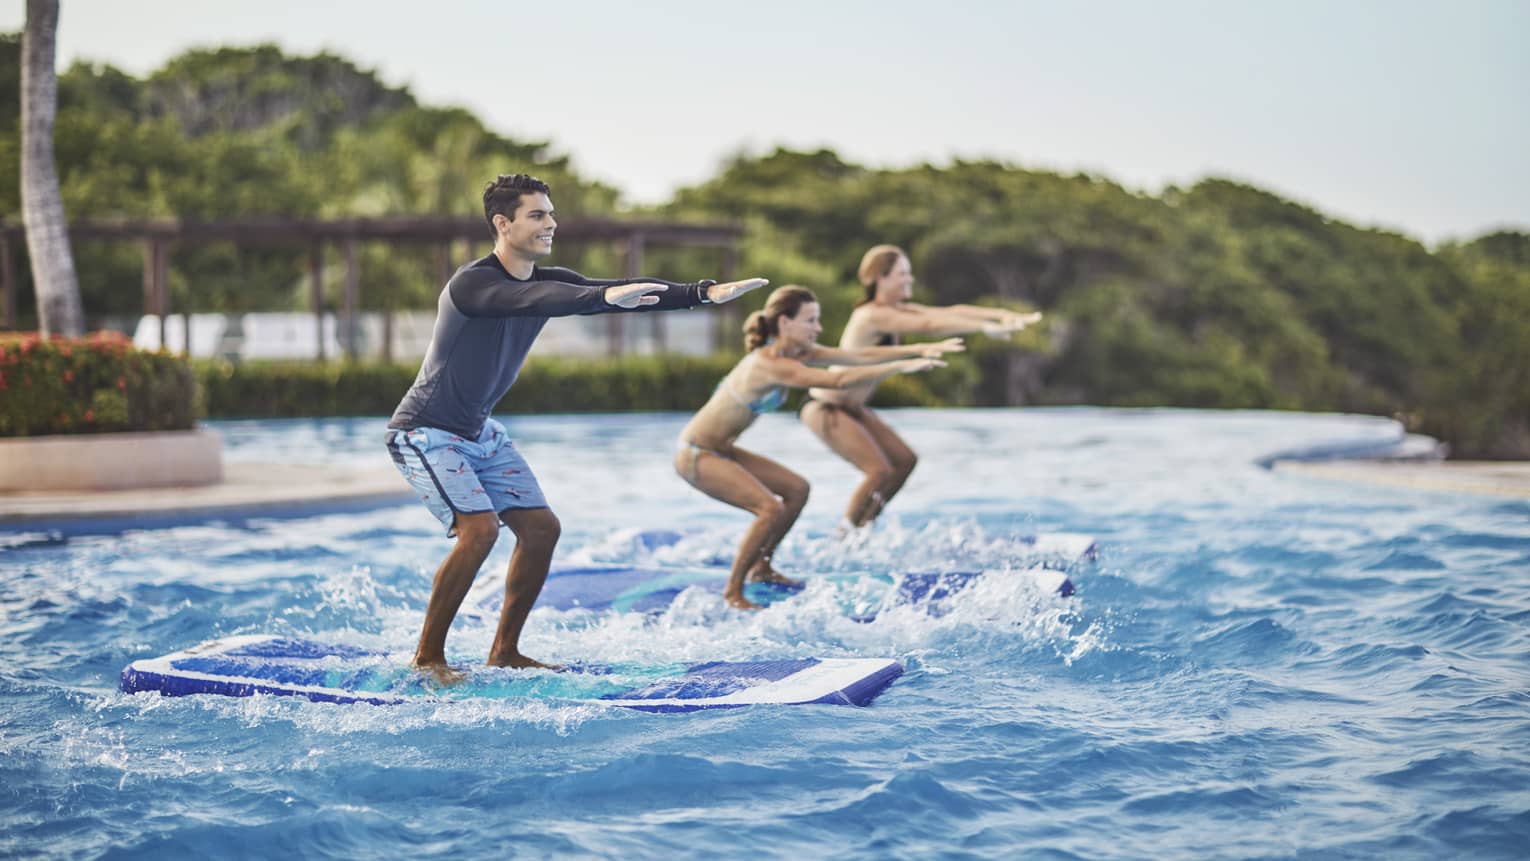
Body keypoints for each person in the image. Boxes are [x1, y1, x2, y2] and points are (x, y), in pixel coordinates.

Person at [385, 173, 768, 682]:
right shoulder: (474, 284)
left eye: (551, 213)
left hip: (480, 432)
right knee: (479, 532)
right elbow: (537, 301)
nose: (551, 223)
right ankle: (428, 658)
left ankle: (504, 650)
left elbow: (614, 290)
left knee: (541, 530)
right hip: (425, 431)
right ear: (503, 223)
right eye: (537, 215)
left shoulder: (548, 277)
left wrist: (703, 293)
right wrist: (601, 299)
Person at [675, 285, 964, 610]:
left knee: (797, 490)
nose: (818, 328)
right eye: (811, 321)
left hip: (722, 449)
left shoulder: (797, 353)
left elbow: (857, 357)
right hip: (696, 453)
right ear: (785, 324)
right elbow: (837, 381)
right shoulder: (768, 364)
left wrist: (923, 349)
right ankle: (732, 592)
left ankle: (762, 567)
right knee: (769, 508)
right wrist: (901, 367)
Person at [800, 244, 1042, 529]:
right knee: (878, 471)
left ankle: (863, 529)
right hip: (826, 408)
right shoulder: (872, 315)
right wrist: (985, 328)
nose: (909, 280)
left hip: (852, 408)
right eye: (902, 273)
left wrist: (1000, 316)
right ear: (880, 278)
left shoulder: (896, 309)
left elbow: (951, 311)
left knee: (904, 461)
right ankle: (845, 537)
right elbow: (929, 325)